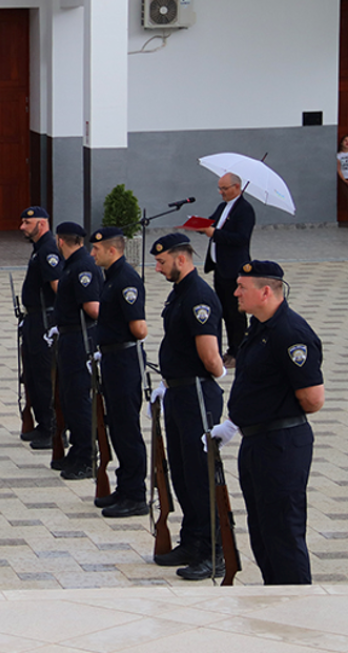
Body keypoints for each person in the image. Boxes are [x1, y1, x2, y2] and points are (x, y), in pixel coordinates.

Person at [208, 260, 324, 585]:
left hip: (282, 444)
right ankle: (275, 597)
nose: (235, 293)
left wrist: (273, 411)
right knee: (262, 532)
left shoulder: (291, 333)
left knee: (283, 533)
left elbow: (313, 399)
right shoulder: (258, 327)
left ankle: (297, 608)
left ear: (266, 291)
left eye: (241, 287)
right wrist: (234, 423)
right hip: (257, 441)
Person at [148, 232, 227, 580]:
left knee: (200, 474)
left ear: (181, 259)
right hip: (179, 392)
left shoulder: (198, 296)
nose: (157, 268)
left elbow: (210, 355)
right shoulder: (179, 292)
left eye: (162, 262)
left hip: (196, 392)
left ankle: (215, 549)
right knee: (180, 470)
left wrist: (219, 374)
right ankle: (193, 539)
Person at [88, 227, 148, 518]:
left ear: (112, 250)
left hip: (124, 360)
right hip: (112, 358)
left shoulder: (126, 280)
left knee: (126, 428)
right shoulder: (111, 277)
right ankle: (125, 487)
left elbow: (139, 328)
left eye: (96, 250)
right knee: (116, 426)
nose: (92, 254)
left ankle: (136, 494)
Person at [47, 222, 101, 481]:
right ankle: (78, 451)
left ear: (60, 241)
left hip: (80, 338)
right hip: (68, 337)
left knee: (79, 399)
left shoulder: (82, 267)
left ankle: (87, 455)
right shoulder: (74, 263)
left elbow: (92, 307)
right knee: (68, 397)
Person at [18, 207, 62, 450]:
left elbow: (58, 287)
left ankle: (53, 427)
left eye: (27, 222)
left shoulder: (48, 250)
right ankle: (43, 424)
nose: (22, 227)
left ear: (42, 224)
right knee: (33, 375)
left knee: (45, 375)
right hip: (34, 320)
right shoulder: (39, 249)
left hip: (45, 321)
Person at [201, 173, 255, 368]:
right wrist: (200, 225)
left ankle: (238, 350)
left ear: (237, 187)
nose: (221, 192)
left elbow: (240, 238)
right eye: (219, 188)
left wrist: (215, 233)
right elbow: (212, 222)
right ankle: (228, 349)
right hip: (219, 267)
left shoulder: (245, 210)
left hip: (234, 268)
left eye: (224, 189)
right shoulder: (223, 207)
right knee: (222, 310)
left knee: (235, 312)